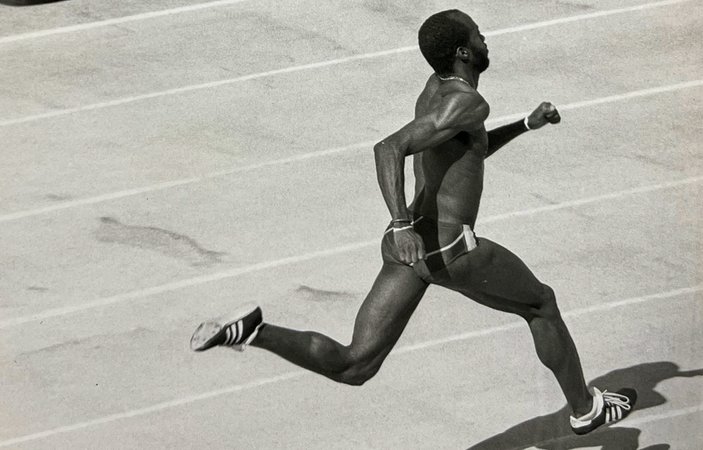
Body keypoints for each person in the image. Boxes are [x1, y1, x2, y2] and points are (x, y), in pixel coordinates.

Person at [190, 9, 636, 435]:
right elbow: (389, 148)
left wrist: (524, 124)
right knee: (540, 304)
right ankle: (584, 411)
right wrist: (400, 222)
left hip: (410, 251)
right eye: (479, 35)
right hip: (447, 248)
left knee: (355, 364)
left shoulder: (435, 89)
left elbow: (463, 152)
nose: (486, 40)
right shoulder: (468, 102)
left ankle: (253, 331)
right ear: (464, 52)